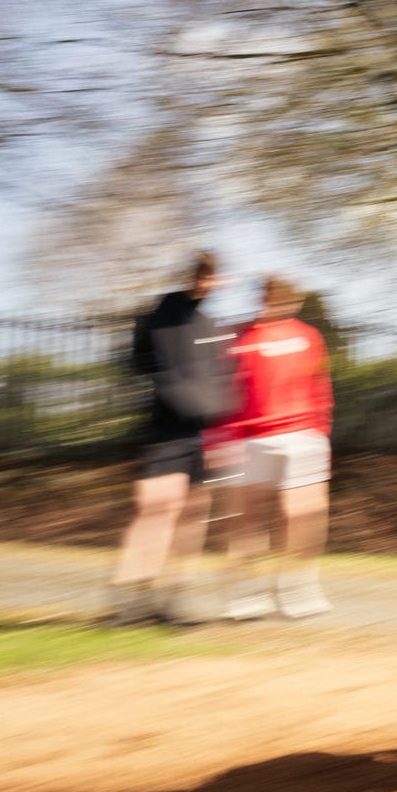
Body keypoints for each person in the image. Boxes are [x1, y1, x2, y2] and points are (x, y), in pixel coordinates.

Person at [109, 251, 235, 625]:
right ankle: (129, 602)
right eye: (200, 276)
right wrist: (179, 394)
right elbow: (137, 363)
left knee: (192, 517)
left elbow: (221, 380)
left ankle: (171, 601)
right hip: (165, 431)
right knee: (155, 510)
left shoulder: (210, 326)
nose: (206, 283)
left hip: (203, 434)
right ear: (188, 276)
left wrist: (219, 433)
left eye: (212, 277)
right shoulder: (157, 317)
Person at [212, 275, 336, 621]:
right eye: (270, 297)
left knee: (304, 514)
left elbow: (320, 384)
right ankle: (244, 592)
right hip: (248, 438)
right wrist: (219, 437)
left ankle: (298, 587)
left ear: (295, 301)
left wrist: (320, 429)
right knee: (246, 520)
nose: (277, 303)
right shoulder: (238, 337)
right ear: (262, 299)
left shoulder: (309, 336)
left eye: (285, 298)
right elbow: (222, 390)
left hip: (303, 435)